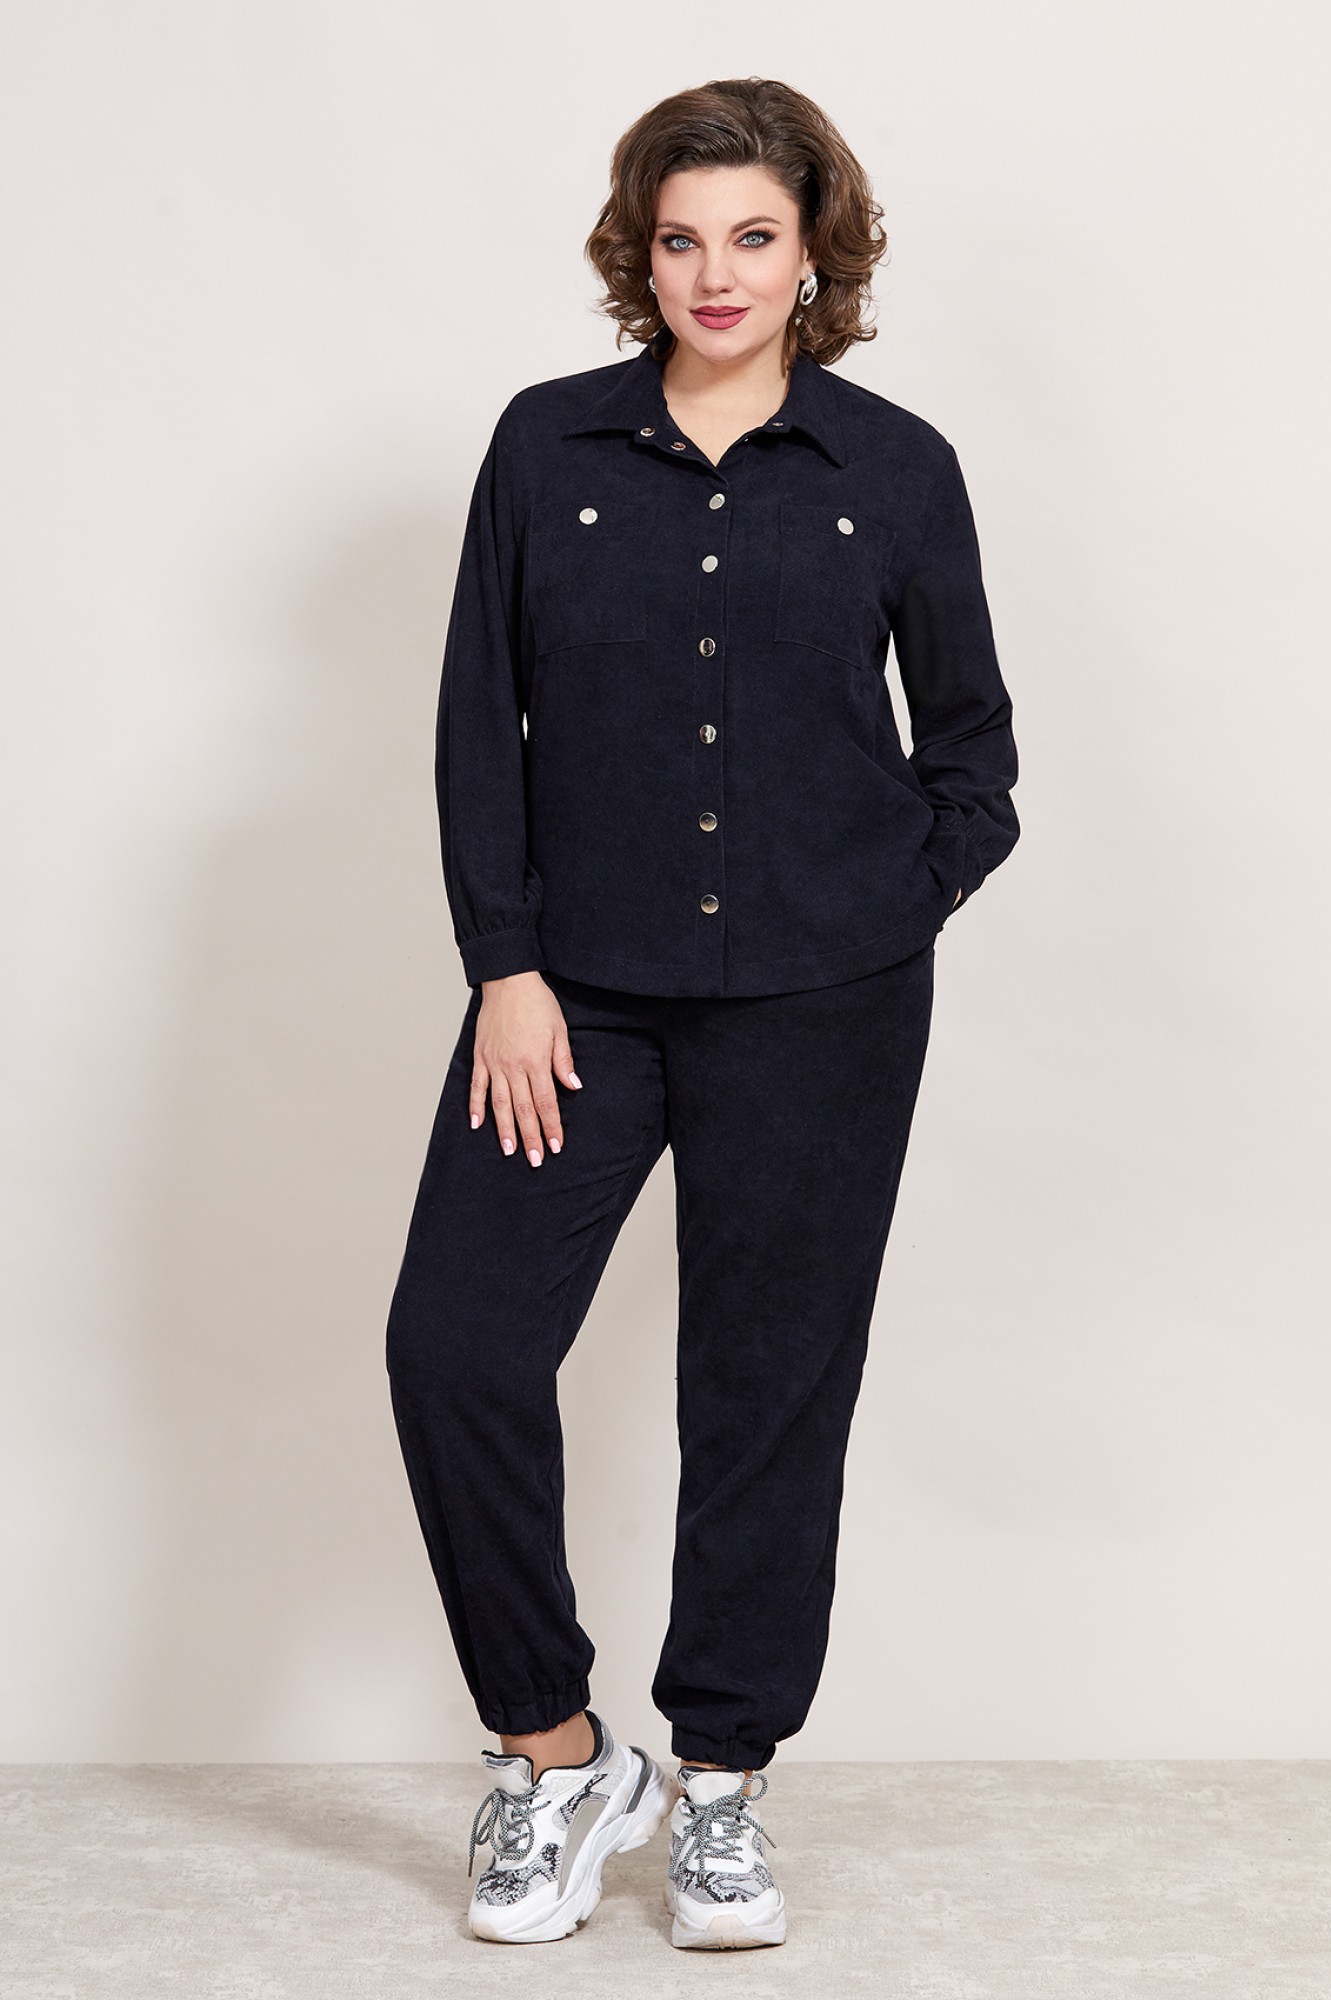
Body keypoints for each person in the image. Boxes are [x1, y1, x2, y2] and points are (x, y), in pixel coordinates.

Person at [385, 74, 1020, 1951]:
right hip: (570, 1001)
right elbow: (476, 727)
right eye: (679, 239)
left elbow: (972, 754)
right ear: (636, 253)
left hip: (822, 1007)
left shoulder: (895, 467)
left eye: (752, 235)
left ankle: (724, 1788)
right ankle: (560, 1756)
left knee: (766, 1391)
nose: (714, 273)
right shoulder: (545, 445)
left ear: (814, 250)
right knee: (455, 1349)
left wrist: (880, 911)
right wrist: (505, 966)